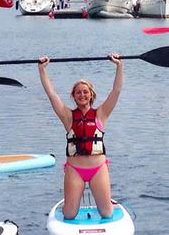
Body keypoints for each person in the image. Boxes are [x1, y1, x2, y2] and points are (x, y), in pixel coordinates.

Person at [38, 54, 123, 219]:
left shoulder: (101, 114)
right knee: (69, 215)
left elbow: (116, 90)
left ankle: (107, 201)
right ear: (73, 96)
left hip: (98, 169)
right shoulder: (68, 116)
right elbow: (51, 93)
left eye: (85, 92)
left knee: (106, 213)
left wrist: (119, 66)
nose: (82, 95)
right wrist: (42, 70)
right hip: (74, 170)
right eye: (78, 92)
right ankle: (68, 203)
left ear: (91, 94)